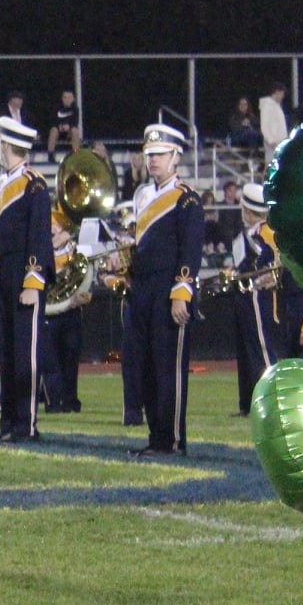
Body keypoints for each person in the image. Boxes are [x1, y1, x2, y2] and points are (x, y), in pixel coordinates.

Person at [126, 124, 205, 457]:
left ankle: (171, 440)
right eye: (150, 155)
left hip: (168, 289)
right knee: (144, 365)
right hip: (142, 288)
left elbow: (191, 250)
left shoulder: (186, 198)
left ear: (176, 157)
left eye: (159, 155)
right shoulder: (143, 195)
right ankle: (156, 436)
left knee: (167, 366)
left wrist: (181, 291)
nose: (153, 160)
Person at [0, 116, 53, 443]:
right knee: (7, 353)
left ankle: (25, 425)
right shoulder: (2, 183)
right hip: (6, 273)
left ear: (8, 144)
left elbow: (40, 236)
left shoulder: (34, 184)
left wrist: (33, 281)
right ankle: (8, 425)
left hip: (25, 275)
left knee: (25, 354)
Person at [39, 213, 91, 415]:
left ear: (65, 230)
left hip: (71, 312)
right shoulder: (41, 253)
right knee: (50, 361)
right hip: (49, 312)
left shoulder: (78, 254)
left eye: (54, 226)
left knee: (70, 359)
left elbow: (86, 278)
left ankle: (70, 401)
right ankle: (53, 403)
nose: (50, 229)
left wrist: (79, 298)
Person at [46, 90, 82, 158]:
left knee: (75, 131)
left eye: (69, 98)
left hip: (69, 131)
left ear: (73, 99)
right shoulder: (56, 107)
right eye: (65, 97)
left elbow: (75, 122)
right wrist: (59, 126)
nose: (67, 100)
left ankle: (76, 154)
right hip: (58, 129)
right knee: (53, 130)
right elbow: (52, 120)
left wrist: (69, 126)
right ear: (62, 99)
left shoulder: (75, 109)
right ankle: (50, 154)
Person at [260, 82, 290, 156]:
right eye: (282, 94)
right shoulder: (267, 106)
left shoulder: (277, 106)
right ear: (277, 92)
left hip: (279, 143)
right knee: (270, 163)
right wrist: (271, 141)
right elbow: (264, 125)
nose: (283, 96)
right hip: (272, 143)